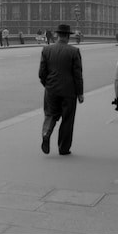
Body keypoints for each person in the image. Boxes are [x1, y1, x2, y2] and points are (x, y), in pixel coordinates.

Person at [38, 23, 84, 156]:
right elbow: (77, 75)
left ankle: (46, 134)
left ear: (57, 35)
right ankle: (63, 148)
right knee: (67, 119)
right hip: (69, 91)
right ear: (68, 37)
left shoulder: (46, 50)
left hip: (51, 89)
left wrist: (48, 85)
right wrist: (80, 93)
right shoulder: (74, 51)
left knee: (50, 114)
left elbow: (41, 73)